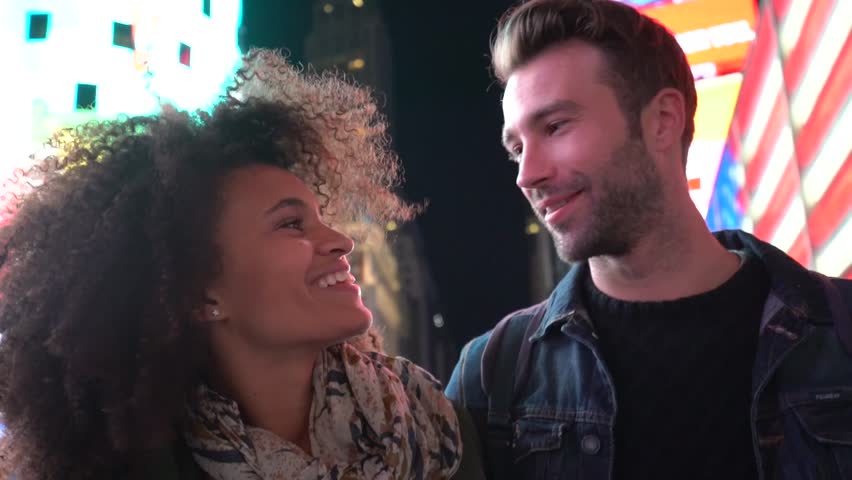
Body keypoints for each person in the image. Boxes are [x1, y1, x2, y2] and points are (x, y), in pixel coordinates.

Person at [0, 49, 484, 480]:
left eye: (322, 218)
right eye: (291, 225)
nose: (340, 242)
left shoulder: (435, 428)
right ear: (202, 294)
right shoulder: (127, 465)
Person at [446, 0, 852, 479]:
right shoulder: (492, 377)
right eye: (517, 150)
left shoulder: (839, 330)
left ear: (662, 120)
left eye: (555, 127)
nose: (527, 175)